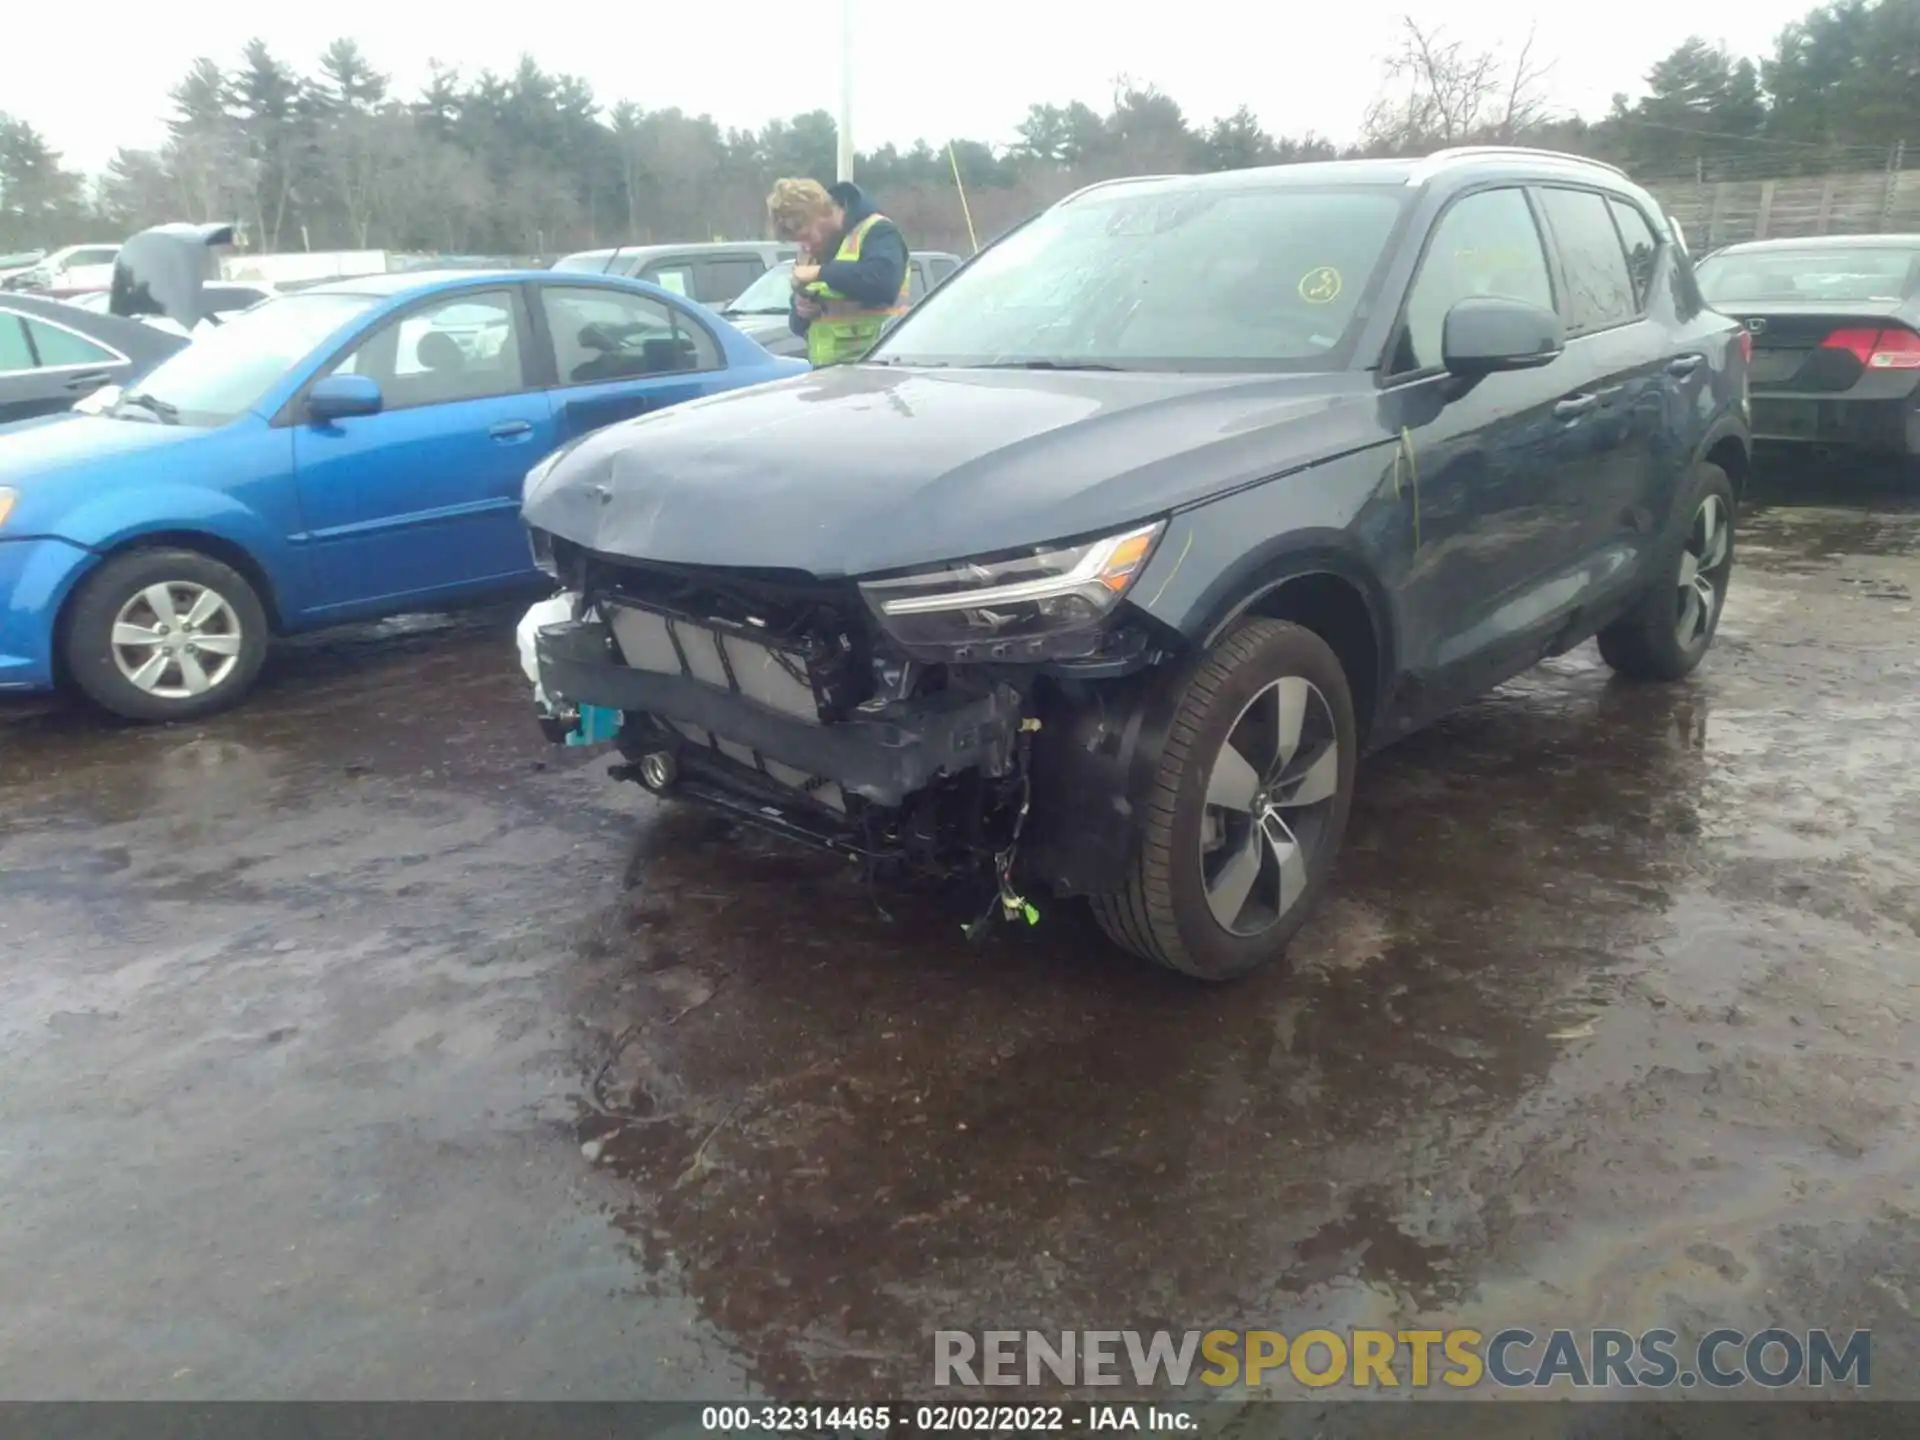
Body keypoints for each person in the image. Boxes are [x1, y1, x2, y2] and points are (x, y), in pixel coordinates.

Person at [765, 178, 911, 366]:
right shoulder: (813, 250)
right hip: (825, 374)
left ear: (820, 213)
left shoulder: (878, 232)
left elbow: (883, 283)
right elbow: (799, 326)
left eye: (807, 236)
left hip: (876, 369)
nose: (806, 246)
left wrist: (820, 273)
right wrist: (801, 310)